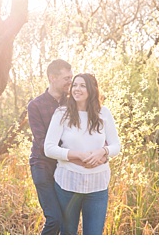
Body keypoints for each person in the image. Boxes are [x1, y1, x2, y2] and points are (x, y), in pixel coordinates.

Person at [44, 73, 121, 235]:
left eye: (82, 85)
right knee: (68, 234)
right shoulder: (61, 113)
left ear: (92, 89)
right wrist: (76, 155)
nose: (77, 89)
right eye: (75, 85)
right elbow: (49, 148)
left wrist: (103, 151)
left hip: (97, 186)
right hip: (68, 185)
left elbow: (116, 146)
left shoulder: (104, 113)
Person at [27, 59, 73, 234]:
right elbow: (42, 141)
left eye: (71, 77)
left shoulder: (72, 103)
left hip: (66, 167)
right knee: (54, 218)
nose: (70, 82)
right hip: (42, 166)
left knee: (68, 220)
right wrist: (73, 152)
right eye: (66, 78)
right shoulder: (35, 105)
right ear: (52, 78)